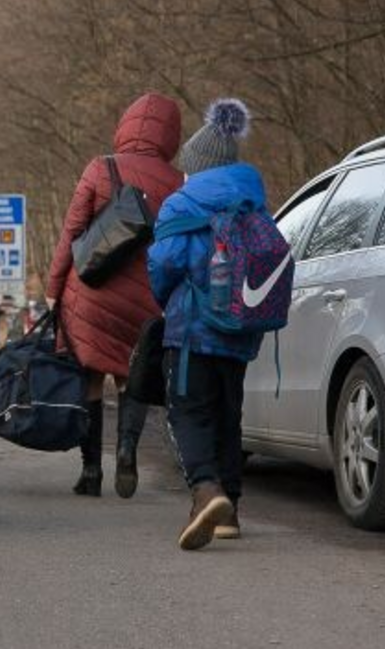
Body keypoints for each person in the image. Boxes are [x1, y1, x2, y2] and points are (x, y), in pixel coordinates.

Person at [46, 93, 183, 499]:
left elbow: (71, 234)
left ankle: (91, 471)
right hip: (144, 300)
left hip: (90, 291)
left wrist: (53, 290)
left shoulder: (100, 168)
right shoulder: (178, 183)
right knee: (130, 377)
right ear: (170, 135)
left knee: (90, 377)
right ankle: (126, 450)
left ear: (125, 126)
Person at [147, 98, 265, 550]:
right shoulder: (254, 200)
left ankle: (205, 490)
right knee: (227, 417)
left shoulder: (183, 203)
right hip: (239, 329)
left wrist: (164, 301)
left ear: (196, 166)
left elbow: (164, 264)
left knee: (187, 413)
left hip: (192, 330)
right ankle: (230, 510)